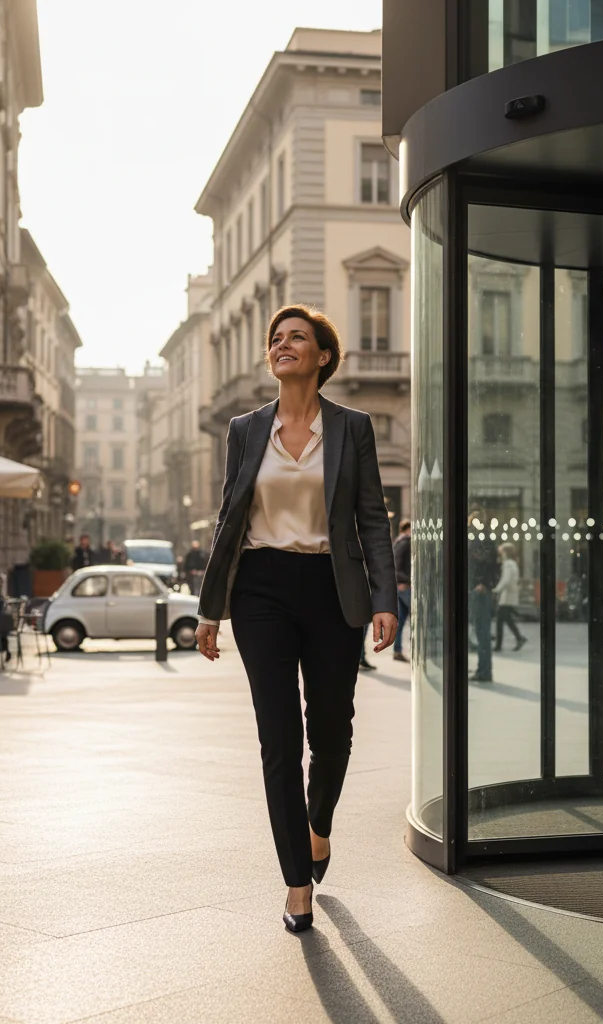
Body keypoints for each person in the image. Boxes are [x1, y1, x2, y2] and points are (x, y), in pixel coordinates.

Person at [196, 304, 397, 934]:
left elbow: (372, 517)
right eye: (275, 339)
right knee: (278, 737)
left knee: (332, 729)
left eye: (297, 338)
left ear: (323, 357)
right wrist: (210, 608)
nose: (283, 346)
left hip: (331, 586)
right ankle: (295, 883)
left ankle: (319, 825)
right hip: (261, 590)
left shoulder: (352, 428)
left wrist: (385, 597)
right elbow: (230, 520)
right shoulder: (245, 428)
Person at [469, 504, 500, 683]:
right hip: (478, 588)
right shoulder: (481, 538)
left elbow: (488, 563)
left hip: (480, 589)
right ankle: (483, 669)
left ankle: (484, 671)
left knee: (482, 632)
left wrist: (483, 583)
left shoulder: (483, 539)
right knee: (480, 632)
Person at [494, 543, 526, 653]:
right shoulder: (513, 563)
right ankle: (519, 638)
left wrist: (496, 589)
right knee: (507, 619)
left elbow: (505, 580)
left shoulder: (508, 564)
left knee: (500, 620)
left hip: (506, 596)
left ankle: (499, 645)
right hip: (510, 595)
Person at [393, 519, 412, 662]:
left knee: (400, 621)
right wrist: (405, 580)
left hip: (401, 585)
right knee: (418, 620)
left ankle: (397, 650)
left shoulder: (398, 542)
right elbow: (398, 565)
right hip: (405, 586)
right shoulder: (406, 543)